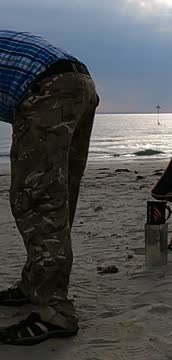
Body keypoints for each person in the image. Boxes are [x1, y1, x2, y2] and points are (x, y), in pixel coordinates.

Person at [0, 30, 98, 345]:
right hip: (79, 83)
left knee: (35, 200)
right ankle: (34, 285)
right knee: (58, 194)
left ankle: (54, 312)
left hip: (47, 91)